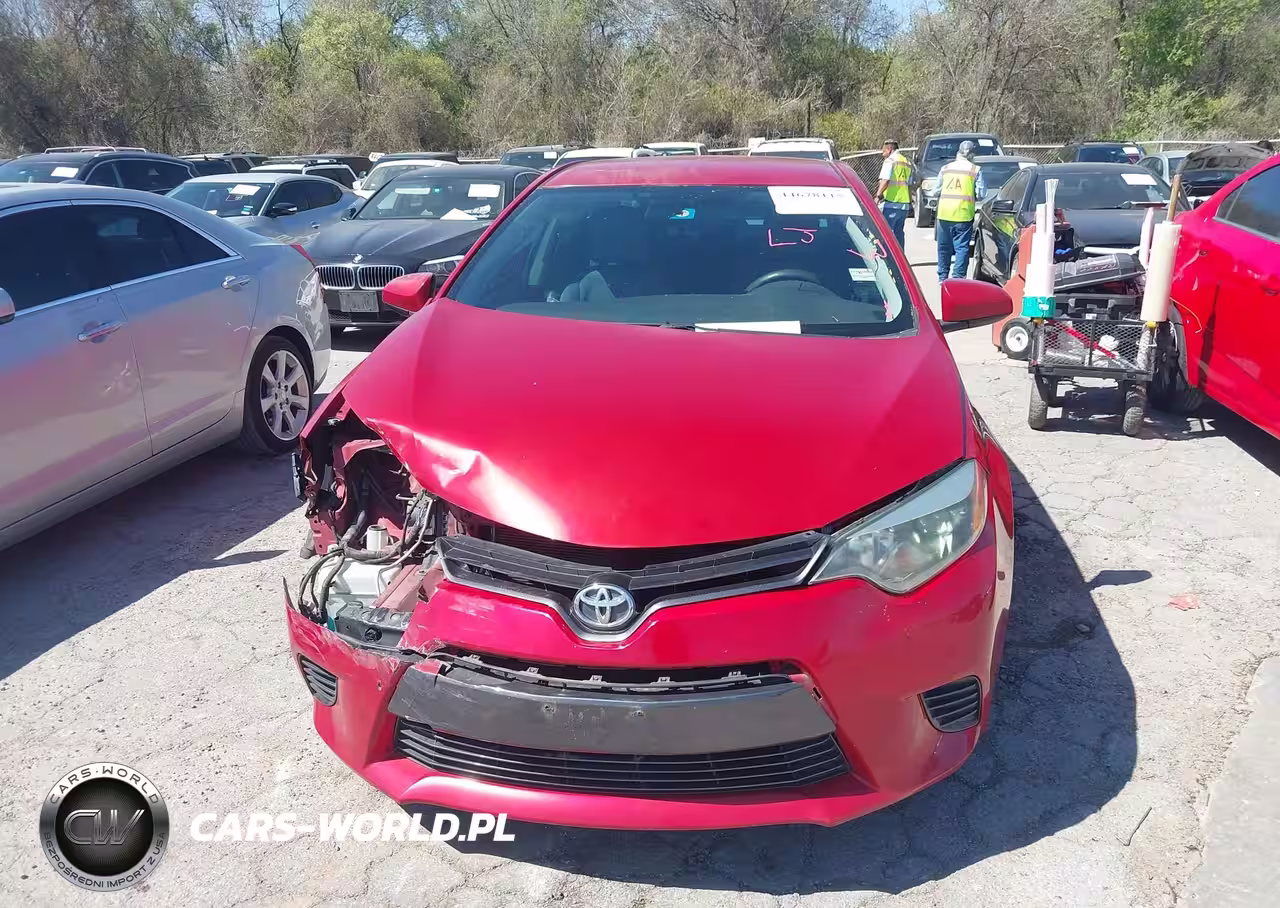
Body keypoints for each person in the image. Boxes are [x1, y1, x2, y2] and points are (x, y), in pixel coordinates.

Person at [935, 140, 985, 283]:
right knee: (962, 248)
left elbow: (935, 191)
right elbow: (981, 193)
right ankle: (958, 278)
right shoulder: (975, 170)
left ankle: (942, 277)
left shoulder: (946, 168)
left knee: (943, 247)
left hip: (944, 213)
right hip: (963, 214)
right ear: (972, 154)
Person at [874, 140, 913, 249]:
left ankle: (889, 256)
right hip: (904, 204)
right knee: (899, 232)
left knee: (888, 233)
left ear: (889, 150)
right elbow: (909, 185)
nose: (882, 154)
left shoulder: (890, 161)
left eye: (884, 151)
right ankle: (900, 256)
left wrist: (877, 196)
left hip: (892, 202)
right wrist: (910, 202)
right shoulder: (907, 162)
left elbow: (885, 180)